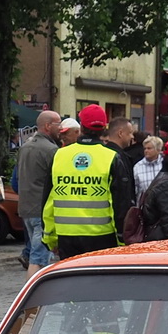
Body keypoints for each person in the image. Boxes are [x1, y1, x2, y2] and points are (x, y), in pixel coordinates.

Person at [43, 104, 131, 260]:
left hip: (66, 236)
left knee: (71, 276)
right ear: (104, 128)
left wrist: (50, 238)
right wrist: (121, 239)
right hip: (102, 236)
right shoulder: (111, 157)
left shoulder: (59, 156)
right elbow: (120, 204)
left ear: (81, 127)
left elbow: (49, 200)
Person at [15, 110, 60, 276]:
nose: (61, 128)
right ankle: (33, 291)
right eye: (58, 124)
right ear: (48, 126)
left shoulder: (25, 147)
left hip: (26, 207)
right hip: (41, 209)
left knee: (36, 254)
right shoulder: (51, 150)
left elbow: (17, 177)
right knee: (38, 259)